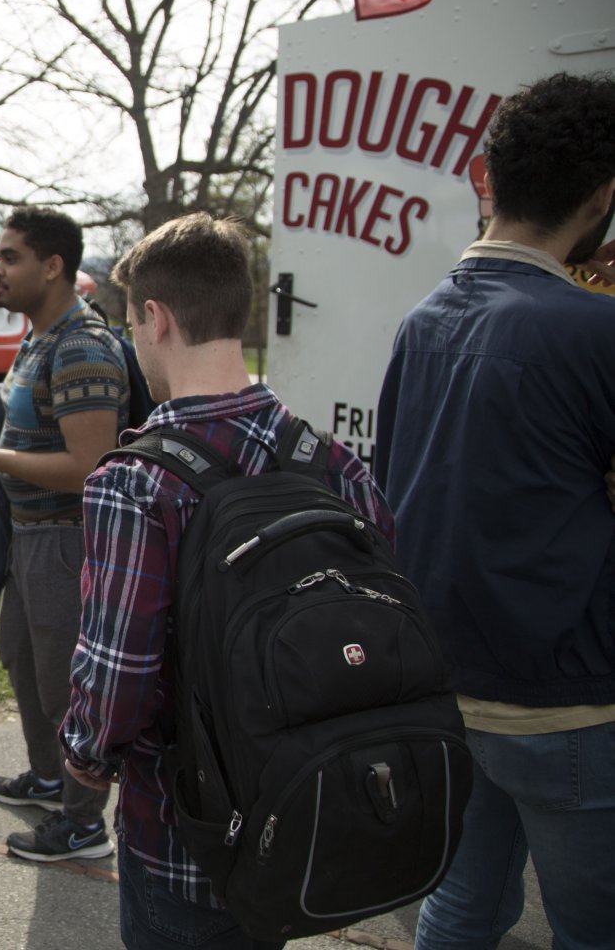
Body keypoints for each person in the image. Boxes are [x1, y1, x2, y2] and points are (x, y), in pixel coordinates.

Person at [65, 213, 395, 949]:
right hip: (303, 801)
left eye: (131, 327)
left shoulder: (136, 481)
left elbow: (120, 667)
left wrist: (84, 753)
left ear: (156, 318)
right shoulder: (326, 459)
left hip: (186, 834)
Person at [376, 72, 615, 950]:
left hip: (448, 686)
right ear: (603, 196)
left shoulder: (423, 319)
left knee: (463, 906)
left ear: (487, 175)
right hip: (569, 704)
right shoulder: (595, 330)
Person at [0, 205, 125, 862]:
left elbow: (89, 467)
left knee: (65, 684)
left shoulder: (82, 345)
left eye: (9, 257)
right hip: (28, 538)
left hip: (67, 541)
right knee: (22, 660)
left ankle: (85, 823)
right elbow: (22, 432)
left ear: (52, 265)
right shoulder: (37, 338)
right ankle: (50, 779)